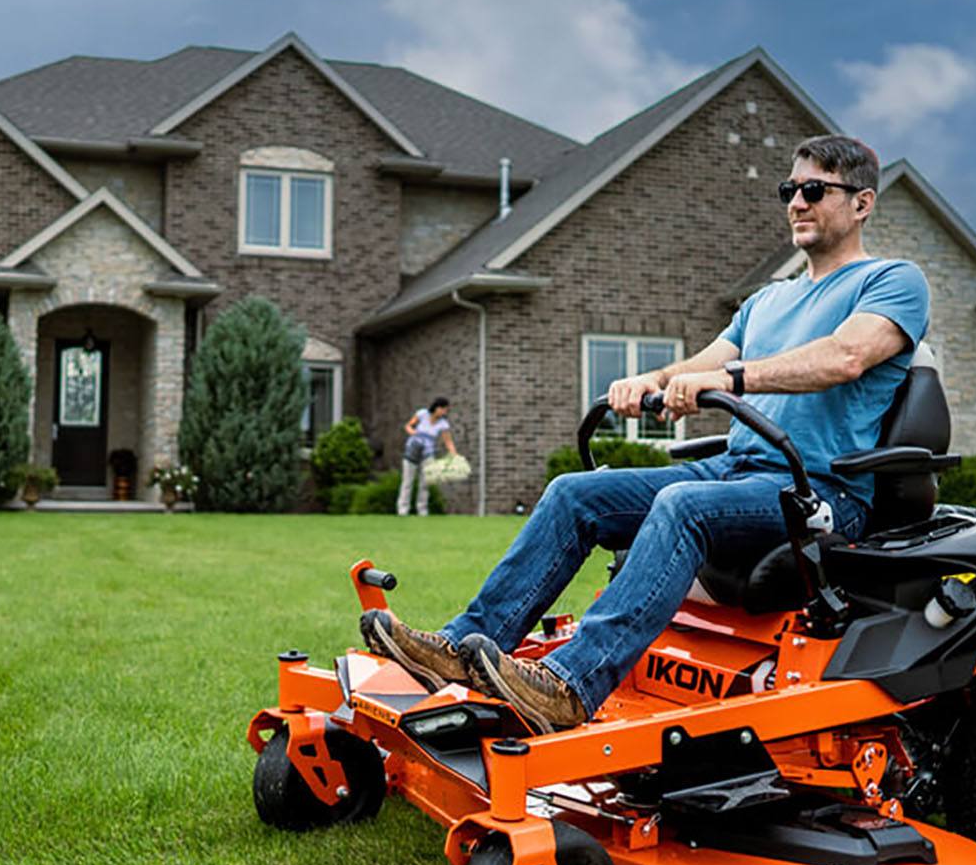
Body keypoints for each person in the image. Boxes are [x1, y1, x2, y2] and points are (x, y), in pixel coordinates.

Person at [361, 134, 929, 733]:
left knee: (682, 505)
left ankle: (571, 686)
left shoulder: (893, 282)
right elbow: (700, 364)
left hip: (819, 493)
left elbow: (843, 357)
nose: (796, 203)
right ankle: (463, 646)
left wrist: (730, 379)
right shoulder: (769, 301)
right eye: (790, 190)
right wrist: (648, 380)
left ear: (862, 203)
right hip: (739, 473)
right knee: (574, 493)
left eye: (815, 190)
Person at [397, 397, 458, 516]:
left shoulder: (443, 424)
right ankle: (403, 510)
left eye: (446, 410)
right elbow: (408, 426)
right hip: (412, 450)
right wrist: (413, 433)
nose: (445, 412)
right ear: (437, 408)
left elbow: (448, 441)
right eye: (444, 409)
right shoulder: (422, 414)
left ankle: (422, 510)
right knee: (407, 482)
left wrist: (453, 453)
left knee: (425, 483)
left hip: (428, 453)